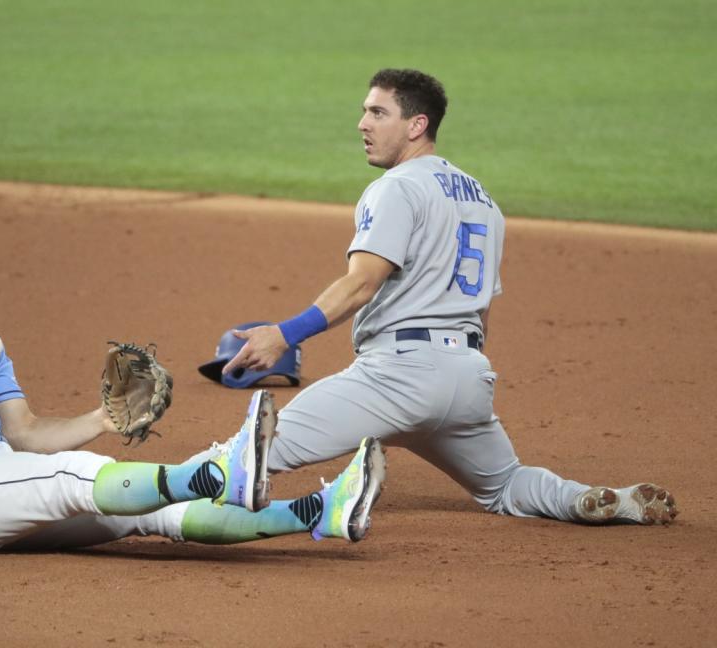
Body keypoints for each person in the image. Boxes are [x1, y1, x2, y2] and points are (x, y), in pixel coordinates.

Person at [215, 68, 677, 526]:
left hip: (397, 377)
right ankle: (594, 499)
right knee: (505, 484)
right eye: (364, 112)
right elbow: (482, 312)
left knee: (242, 459)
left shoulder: (397, 187)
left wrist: (285, 334)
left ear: (417, 125)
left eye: (378, 112)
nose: (363, 123)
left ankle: (147, 512)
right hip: (467, 380)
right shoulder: (484, 200)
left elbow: (362, 282)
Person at [0, 208, 386, 553]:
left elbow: (26, 435)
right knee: (73, 476)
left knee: (142, 513)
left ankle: (319, 513)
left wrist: (103, 419)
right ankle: (217, 471)